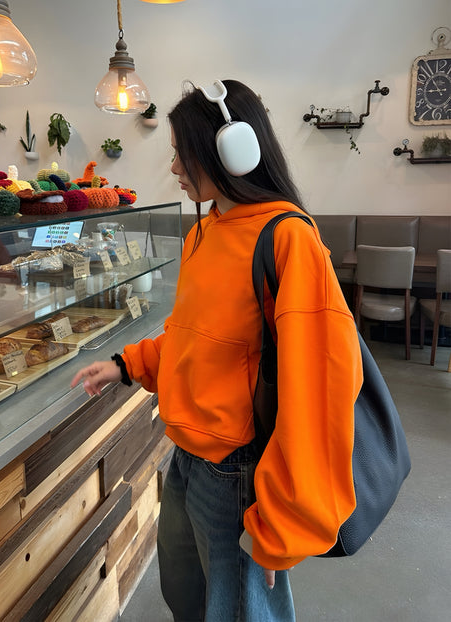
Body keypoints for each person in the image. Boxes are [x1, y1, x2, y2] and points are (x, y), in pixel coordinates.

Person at [70, 79, 363, 622]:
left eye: (183, 154)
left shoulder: (287, 238)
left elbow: (320, 388)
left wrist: (282, 518)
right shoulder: (203, 234)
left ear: (229, 150)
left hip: (240, 474)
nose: (174, 168)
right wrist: (127, 364)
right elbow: (193, 339)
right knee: (187, 599)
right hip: (187, 458)